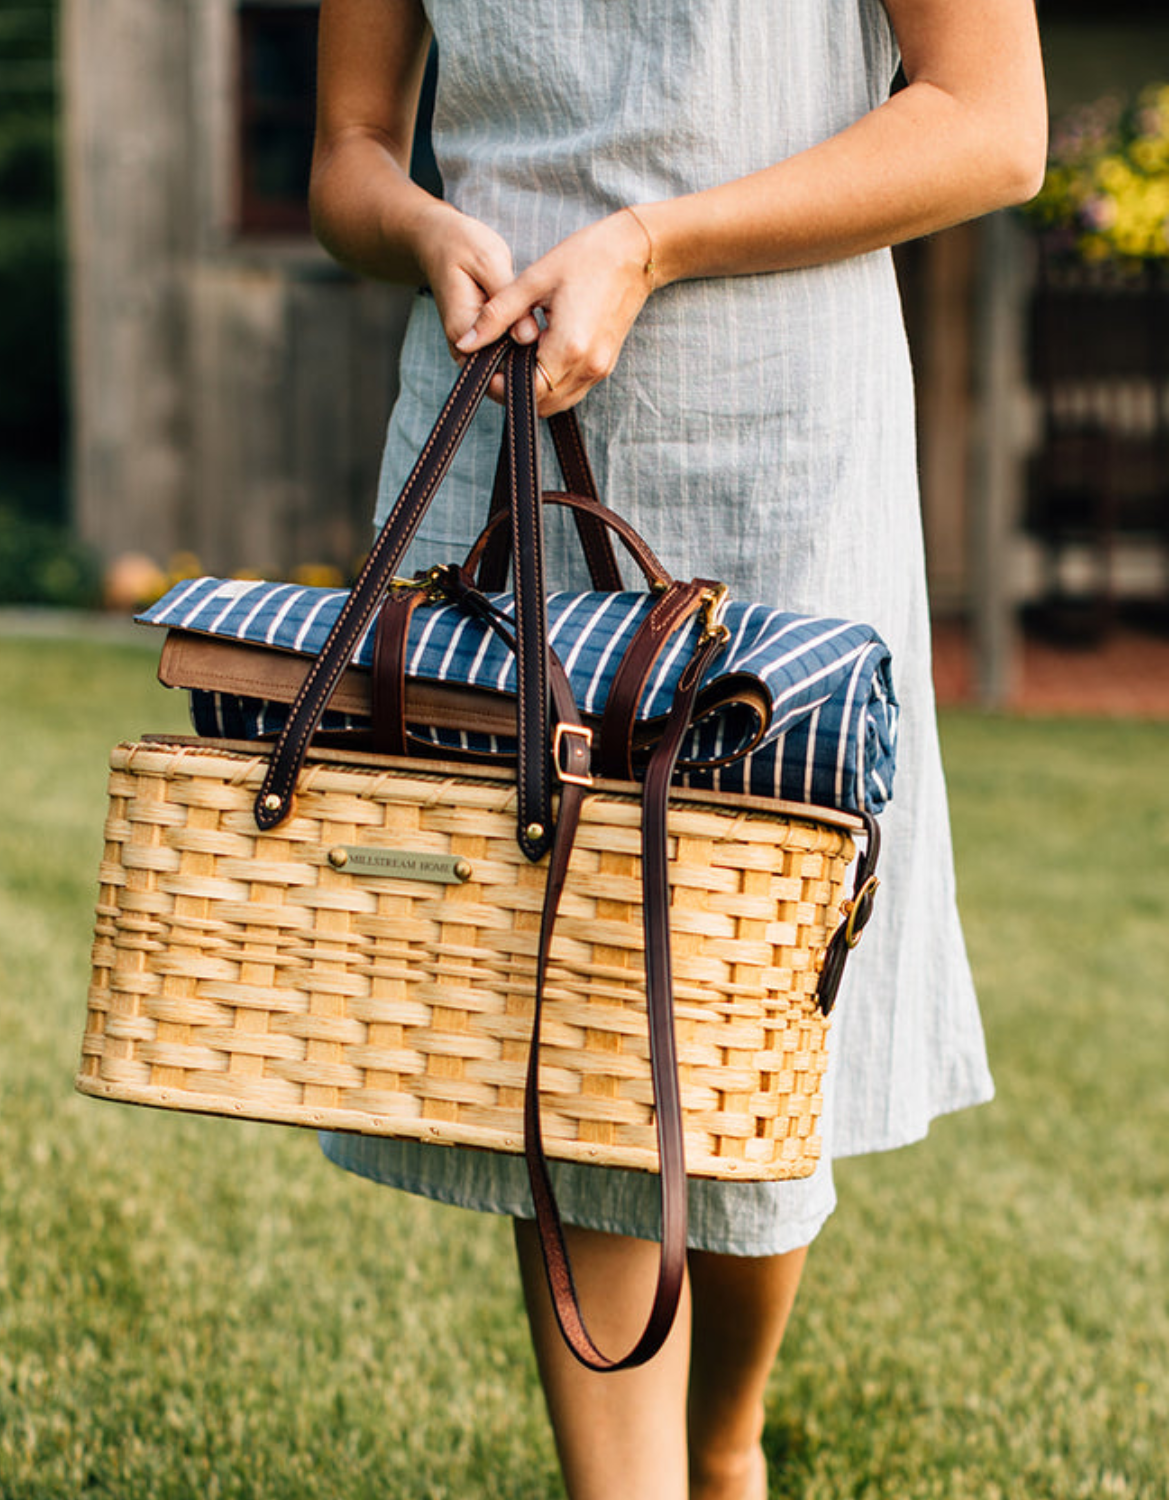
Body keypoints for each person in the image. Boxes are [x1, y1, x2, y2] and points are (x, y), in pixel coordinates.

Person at [307, 3, 1047, 1497]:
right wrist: (420, 229)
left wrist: (651, 242)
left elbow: (993, 119)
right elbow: (349, 148)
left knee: (757, 1025)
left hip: (779, 440)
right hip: (498, 435)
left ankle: (723, 1443)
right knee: (570, 1005)